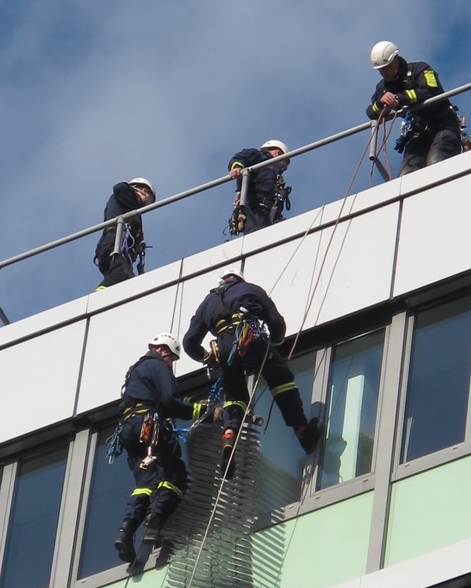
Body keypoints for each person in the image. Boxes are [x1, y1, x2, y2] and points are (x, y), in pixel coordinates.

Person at [182, 269, 322, 473]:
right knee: (281, 379)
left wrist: (206, 356)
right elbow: (276, 322)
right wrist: (274, 342)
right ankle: (303, 432)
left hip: (224, 349)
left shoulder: (208, 302)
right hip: (250, 338)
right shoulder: (250, 289)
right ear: (239, 279)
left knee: (235, 397)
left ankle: (229, 434)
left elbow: (189, 342)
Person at [113, 332, 206, 563]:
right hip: (150, 427)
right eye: (172, 360)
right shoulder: (158, 366)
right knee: (174, 475)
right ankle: (156, 521)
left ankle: (126, 530)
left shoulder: (135, 370)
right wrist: (202, 411)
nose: (171, 364)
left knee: (144, 484)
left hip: (129, 430)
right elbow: (169, 401)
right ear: (164, 351)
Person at [366, 41, 461, 176]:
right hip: (417, 133)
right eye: (381, 70)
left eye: (386, 67)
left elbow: (431, 91)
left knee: (437, 162)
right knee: (407, 174)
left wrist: (401, 98)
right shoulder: (382, 88)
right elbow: (371, 112)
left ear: (396, 60)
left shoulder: (420, 69)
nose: (384, 73)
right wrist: (382, 104)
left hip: (443, 125)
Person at [94, 178, 156, 290]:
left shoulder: (128, 207)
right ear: (144, 191)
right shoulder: (126, 193)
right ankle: (102, 294)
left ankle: (108, 293)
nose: (147, 206)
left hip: (111, 245)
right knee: (121, 274)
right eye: (150, 201)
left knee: (122, 279)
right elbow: (120, 187)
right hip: (115, 242)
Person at [228, 140, 292, 235]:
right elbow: (240, 158)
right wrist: (237, 167)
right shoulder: (257, 156)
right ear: (278, 153)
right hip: (255, 211)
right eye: (285, 162)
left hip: (272, 214)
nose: (285, 168)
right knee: (255, 237)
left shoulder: (276, 177)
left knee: (286, 233)